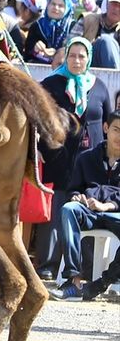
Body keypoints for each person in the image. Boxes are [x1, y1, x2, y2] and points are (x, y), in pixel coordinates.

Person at [35, 36, 113, 281]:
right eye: (72, 55)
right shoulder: (51, 84)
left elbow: (106, 123)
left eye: (81, 56)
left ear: (88, 58)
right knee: (58, 206)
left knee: (88, 206)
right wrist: (37, 146)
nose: (76, 60)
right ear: (65, 57)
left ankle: (87, 267)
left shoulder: (98, 86)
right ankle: (48, 264)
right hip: (59, 154)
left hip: (90, 158)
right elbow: (38, 119)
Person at [48, 111, 120, 301]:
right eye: (116, 130)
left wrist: (108, 206)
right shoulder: (86, 158)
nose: (119, 136)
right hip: (88, 212)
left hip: (116, 215)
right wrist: (77, 197)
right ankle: (73, 280)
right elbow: (73, 189)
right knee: (68, 209)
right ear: (106, 128)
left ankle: (102, 284)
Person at [73, 0, 120, 69]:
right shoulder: (87, 19)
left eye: (119, 6)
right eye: (114, 4)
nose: (116, 9)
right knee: (105, 40)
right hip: (86, 66)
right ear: (106, 4)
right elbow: (69, 44)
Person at [24, 0, 74, 64]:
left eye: (61, 6)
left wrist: (58, 53)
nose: (56, 8)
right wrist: (35, 49)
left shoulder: (73, 26)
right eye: (53, 4)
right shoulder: (37, 26)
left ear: (67, 9)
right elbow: (27, 54)